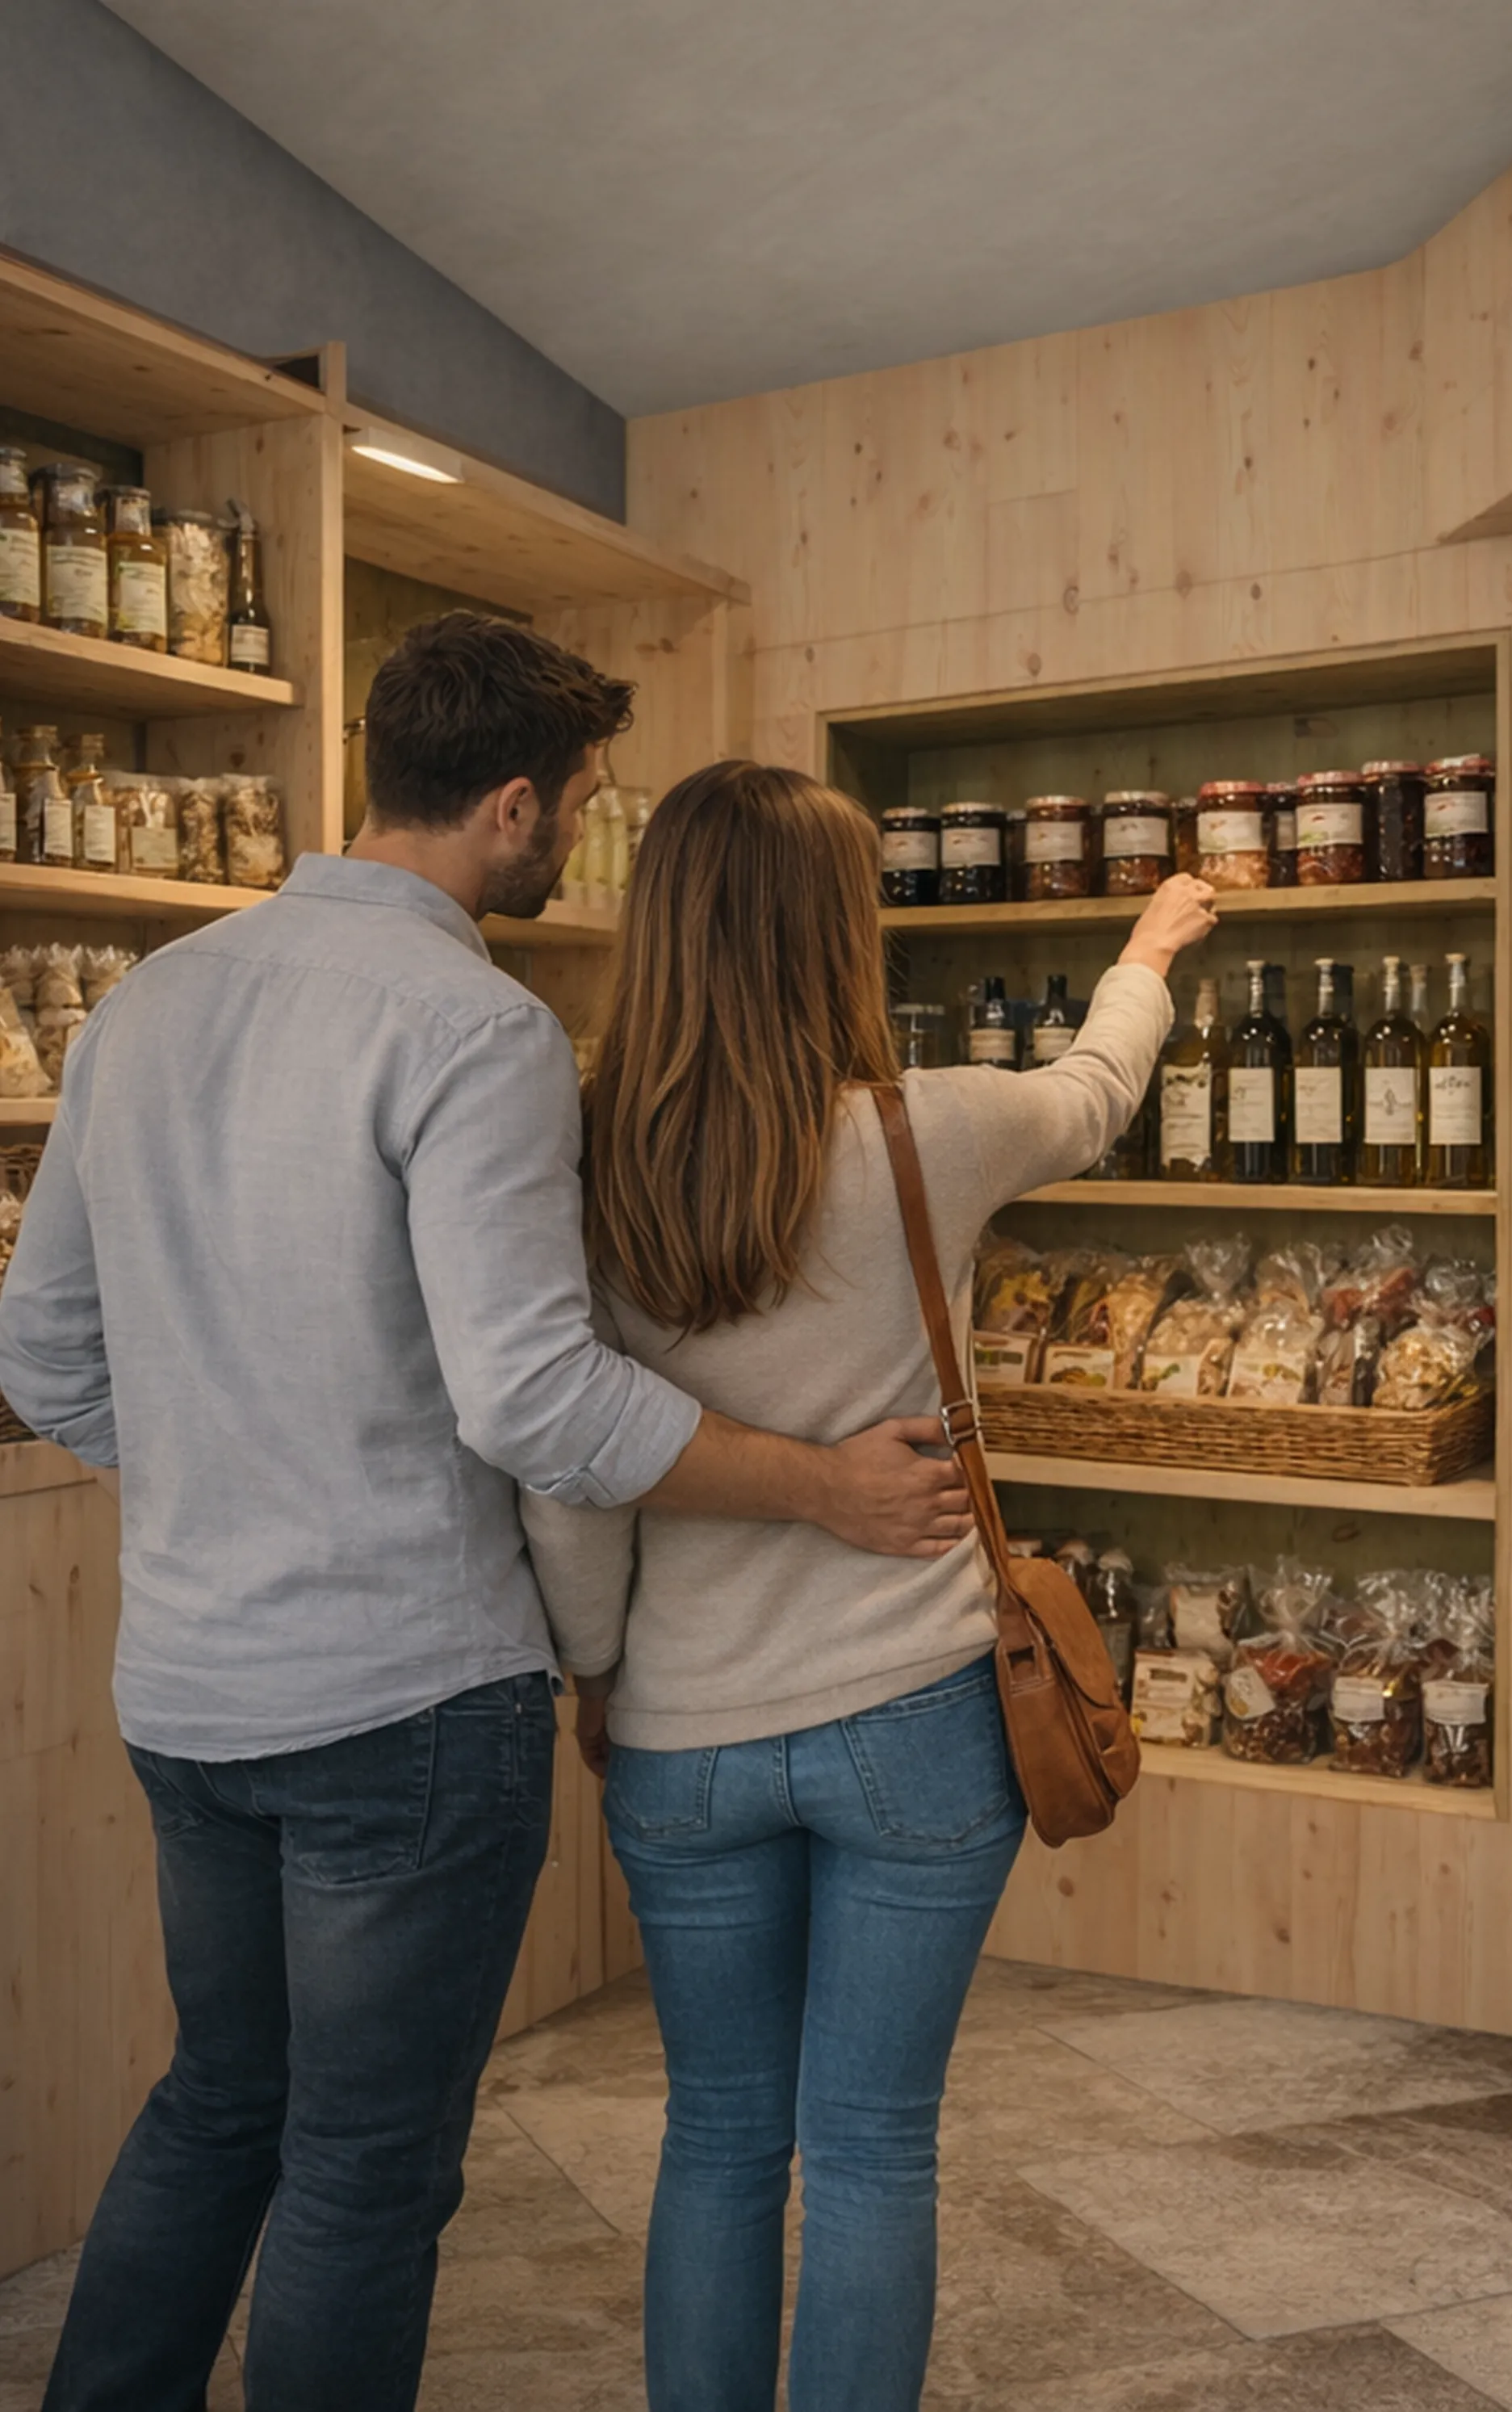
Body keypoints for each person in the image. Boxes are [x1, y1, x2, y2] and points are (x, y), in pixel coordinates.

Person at [0, 619, 970, 2412]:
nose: (578, 835)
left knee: (221, 2099)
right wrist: (820, 1480)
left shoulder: (147, 999)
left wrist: (238, 1464)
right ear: (516, 804)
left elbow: (44, 1348)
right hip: (400, 1700)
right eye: (581, 803)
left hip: (191, 1686)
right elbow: (537, 1400)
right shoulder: (473, 1022)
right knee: (364, 2167)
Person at [521, 757, 1215, 2412]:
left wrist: (600, 1672)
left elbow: (572, 1469)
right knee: (871, 2148)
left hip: (680, 1732)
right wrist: (1149, 944)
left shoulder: (583, 1158)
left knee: (713, 2139)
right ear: (840, 932)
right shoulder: (929, 1129)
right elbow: (1098, 1085)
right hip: (914, 1719)